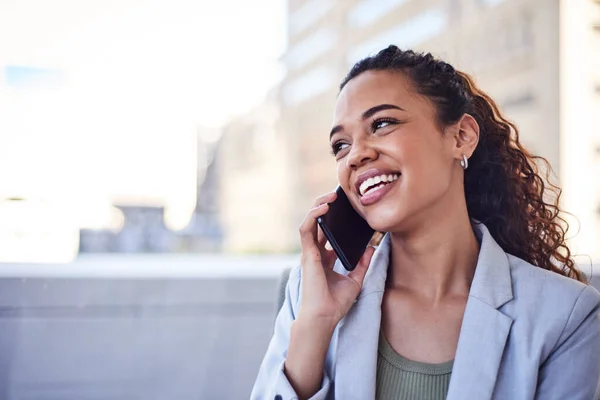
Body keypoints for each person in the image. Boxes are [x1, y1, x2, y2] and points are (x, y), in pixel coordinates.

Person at [251, 46, 600, 400]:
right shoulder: (310, 293)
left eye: (382, 124)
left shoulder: (566, 317)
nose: (356, 154)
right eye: (341, 145)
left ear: (461, 137)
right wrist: (316, 325)